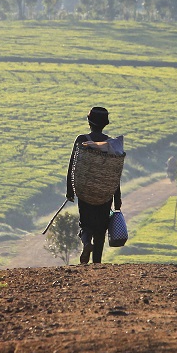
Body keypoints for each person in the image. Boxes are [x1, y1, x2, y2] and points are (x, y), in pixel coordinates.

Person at [66, 106, 122, 264]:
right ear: (105, 123)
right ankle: (97, 263)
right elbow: (114, 172)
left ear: (89, 122)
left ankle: (86, 243)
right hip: (105, 194)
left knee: (85, 223)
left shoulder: (81, 140)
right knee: (101, 228)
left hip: (85, 191)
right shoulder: (111, 144)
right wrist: (117, 197)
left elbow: (73, 166)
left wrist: (70, 190)